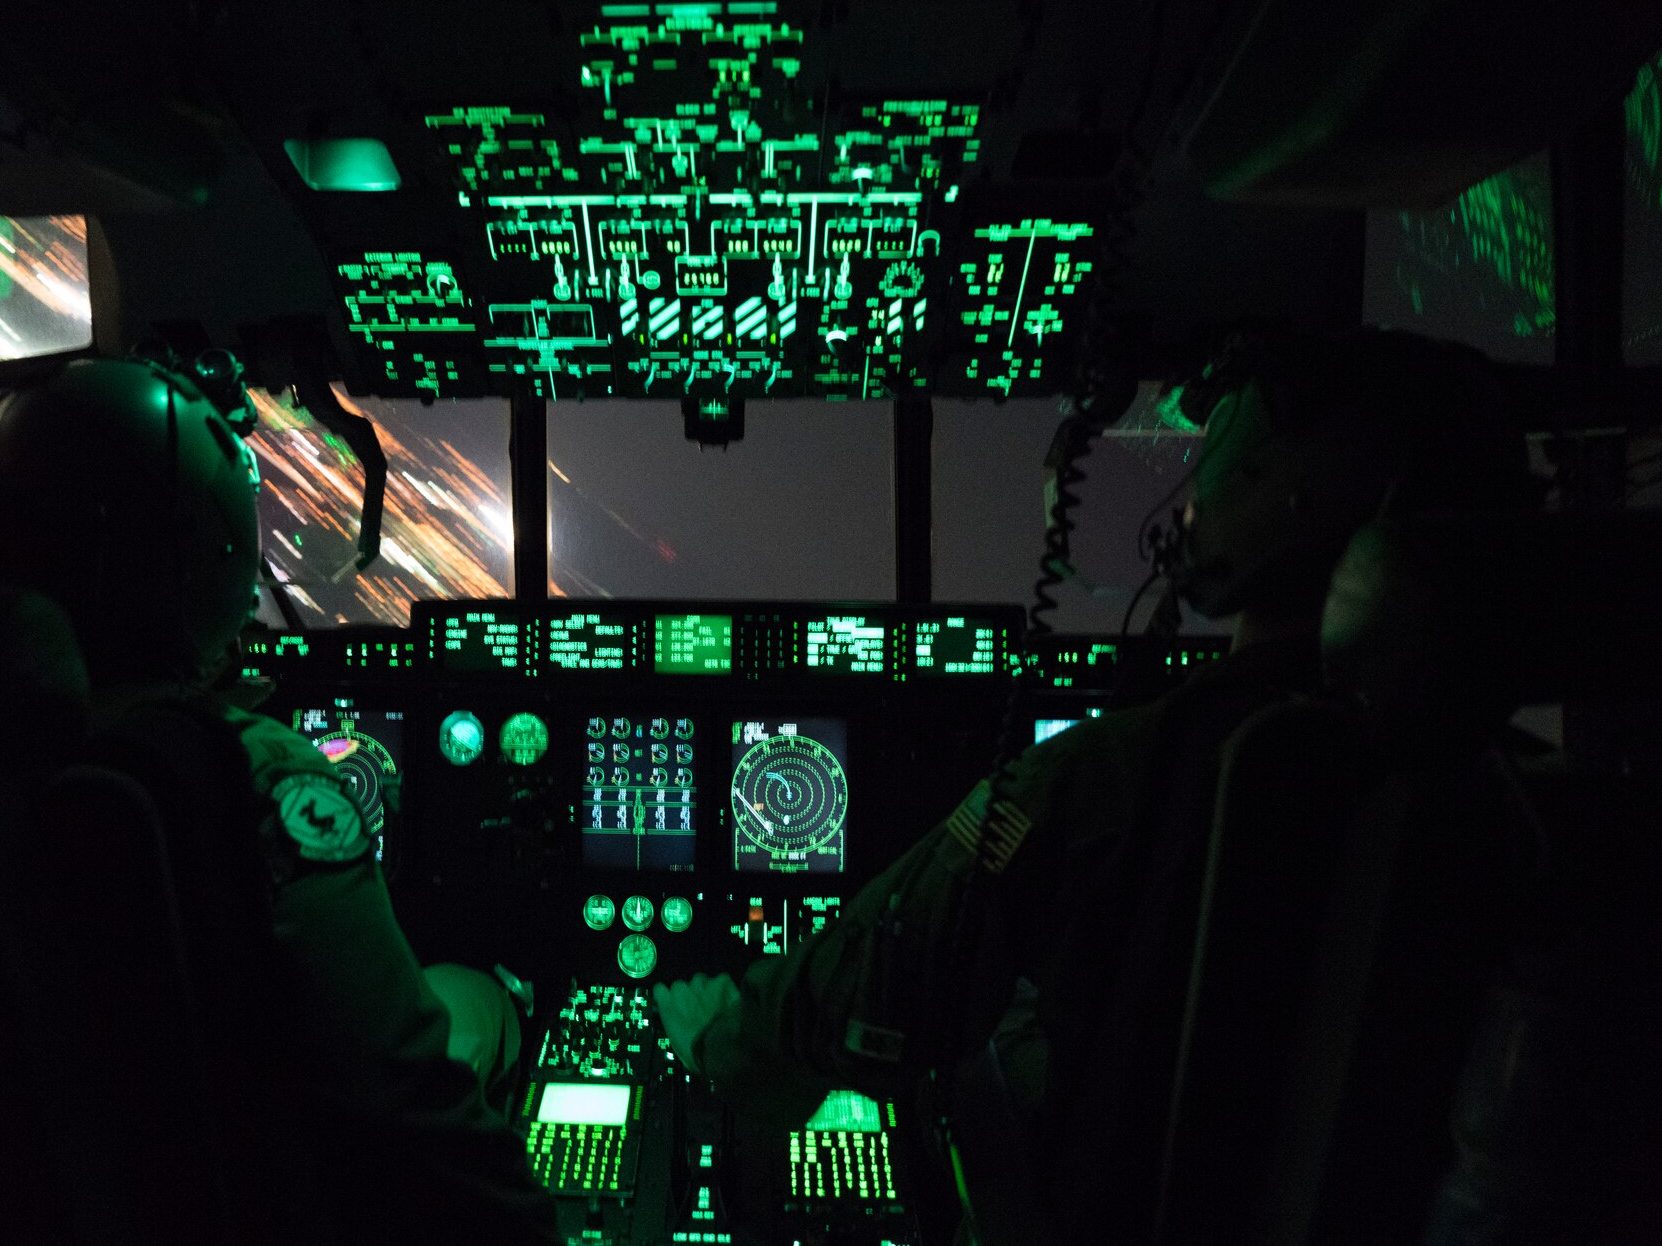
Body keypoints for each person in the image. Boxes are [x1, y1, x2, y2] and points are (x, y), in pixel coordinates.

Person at [653, 329, 1535, 1243]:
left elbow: (888, 976)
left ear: (1287, 494)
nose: (1195, 490)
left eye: (1218, 455)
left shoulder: (1125, 773)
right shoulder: (1523, 796)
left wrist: (727, 1039)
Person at [0, 354, 557, 1244]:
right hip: (227, 1185)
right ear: (211, 552)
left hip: (10, 1189)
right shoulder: (244, 772)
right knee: (473, 998)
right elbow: (408, 1098)